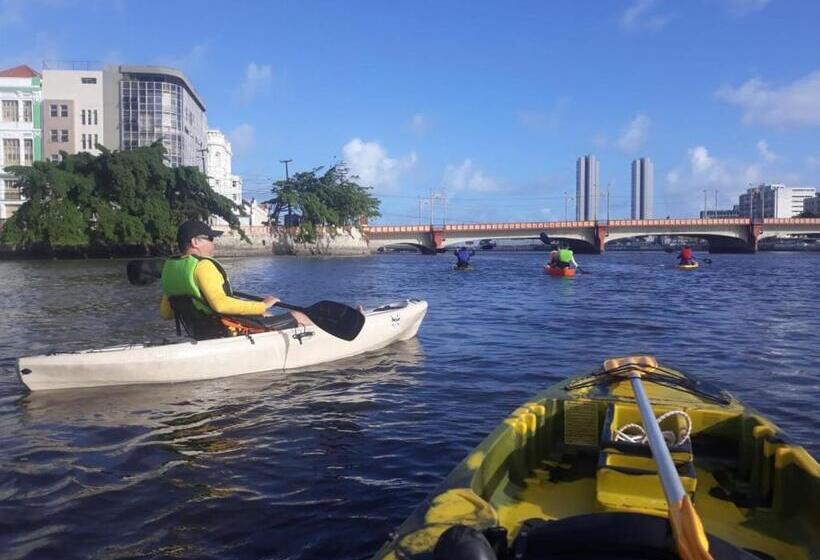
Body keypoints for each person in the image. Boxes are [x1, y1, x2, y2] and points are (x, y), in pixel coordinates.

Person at [159, 220, 311, 340]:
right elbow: (220, 305)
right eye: (210, 239)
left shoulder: (169, 269)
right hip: (226, 331)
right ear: (195, 242)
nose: (214, 243)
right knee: (300, 316)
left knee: (267, 317)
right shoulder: (203, 266)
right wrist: (261, 305)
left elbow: (166, 313)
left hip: (200, 332)